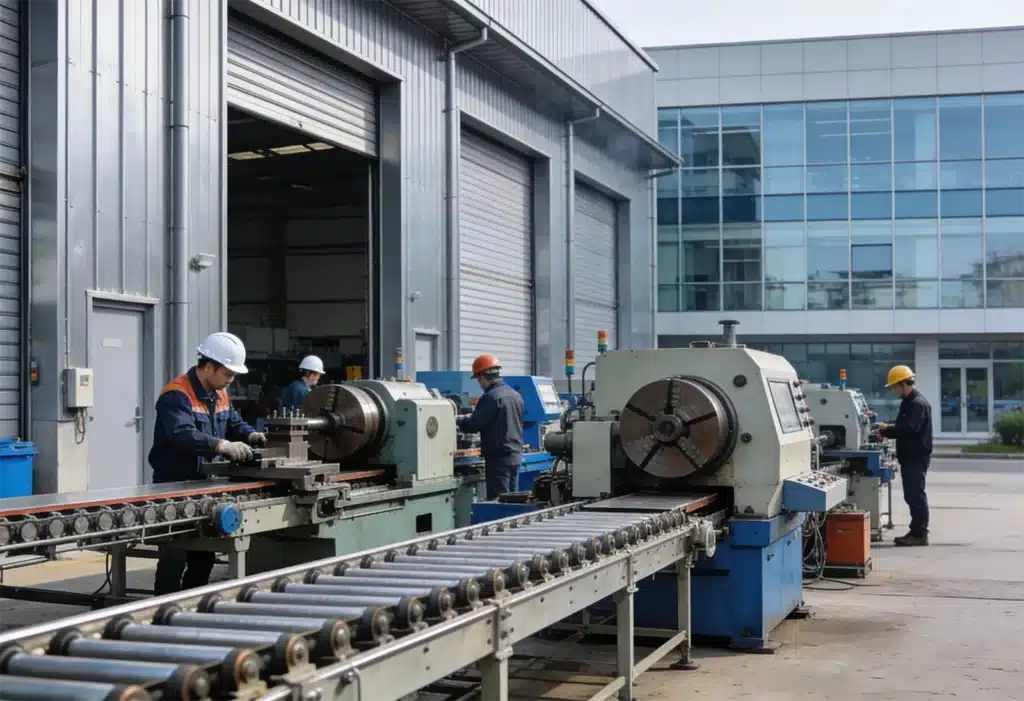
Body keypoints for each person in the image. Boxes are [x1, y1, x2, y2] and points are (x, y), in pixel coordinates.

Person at [149, 332, 267, 594]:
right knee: (175, 552)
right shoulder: (176, 395)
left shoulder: (219, 393)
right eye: (228, 373)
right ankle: (161, 609)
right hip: (174, 486)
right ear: (209, 366)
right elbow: (182, 435)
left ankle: (192, 605)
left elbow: (232, 420)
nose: (231, 380)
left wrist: (250, 434)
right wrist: (222, 446)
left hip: (205, 483)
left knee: (204, 554)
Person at [877, 364, 933, 547]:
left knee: (915, 494)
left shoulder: (917, 403)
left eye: (894, 387)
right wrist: (887, 427)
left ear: (903, 384)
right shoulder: (908, 402)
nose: (893, 390)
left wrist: (886, 430)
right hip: (910, 456)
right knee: (911, 495)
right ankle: (915, 530)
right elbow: (902, 424)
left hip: (916, 456)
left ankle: (920, 533)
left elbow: (909, 428)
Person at [457, 354, 525, 500]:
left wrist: (457, 420)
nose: (479, 384)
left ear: (482, 377)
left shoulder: (491, 397)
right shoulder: (515, 395)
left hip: (499, 459)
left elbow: (474, 424)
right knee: (513, 500)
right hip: (515, 456)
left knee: (499, 502)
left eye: (478, 380)